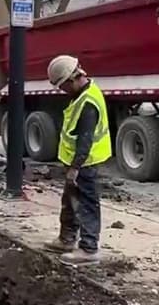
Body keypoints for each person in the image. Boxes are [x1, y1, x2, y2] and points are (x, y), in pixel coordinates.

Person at [42, 55, 113, 265]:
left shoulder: (88, 103)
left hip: (86, 162)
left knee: (87, 204)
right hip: (78, 161)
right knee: (70, 201)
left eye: (62, 86)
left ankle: (89, 249)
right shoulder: (81, 94)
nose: (61, 91)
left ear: (71, 79)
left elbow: (85, 140)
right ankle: (66, 239)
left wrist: (75, 168)